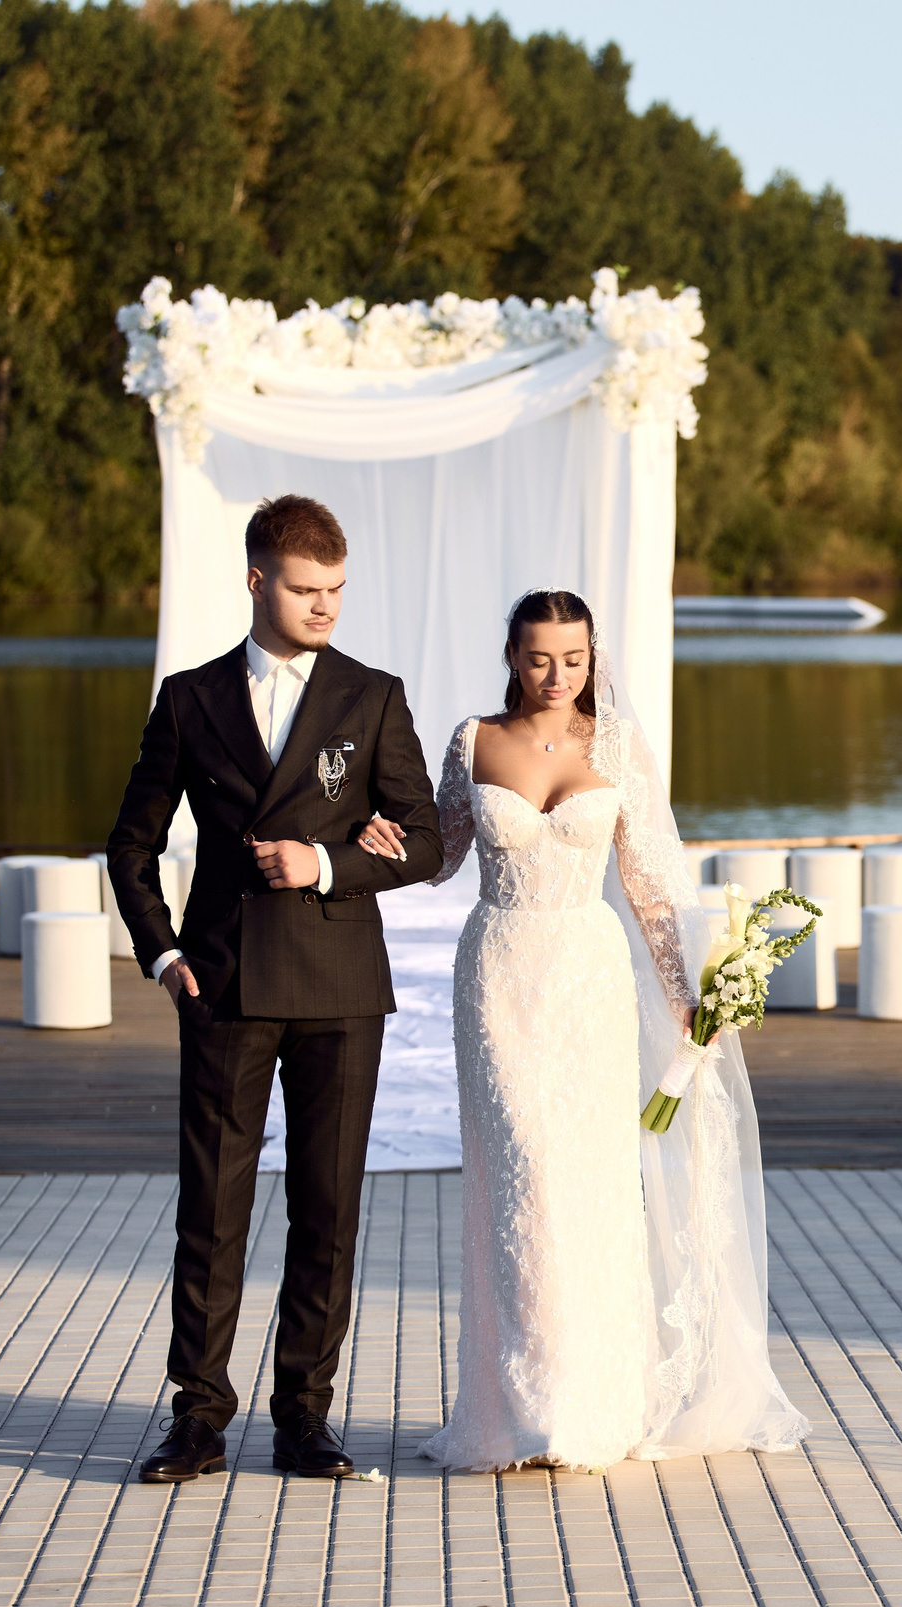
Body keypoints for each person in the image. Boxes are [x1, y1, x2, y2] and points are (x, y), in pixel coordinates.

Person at [352, 588, 807, 1470]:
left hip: (589, 981)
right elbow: (442, 854)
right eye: (538, 657)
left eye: (573, 657)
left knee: (590, 1184)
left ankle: (592, 1404)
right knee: (522, 1174)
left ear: (593, 656)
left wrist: (689, 995)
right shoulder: (473, 740)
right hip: (499, 975)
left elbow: (647, 882)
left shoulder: (620, 747)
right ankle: (518, 1408)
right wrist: (376, 842)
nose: (556, 675)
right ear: (510, 655)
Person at [106, 495, 442, 1484]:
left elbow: (423, 841)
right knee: (212, 1207)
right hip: (223, 985)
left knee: (326, 1206)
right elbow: (131, 845)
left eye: (337, 590)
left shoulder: (371, 696)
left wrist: (330, 863)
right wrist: (164, 956)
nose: (325, 606)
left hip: (341, 988)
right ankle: (198, 1419)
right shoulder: (190, 698)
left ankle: (305, 1419)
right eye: (305, 590)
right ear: (258, 580)